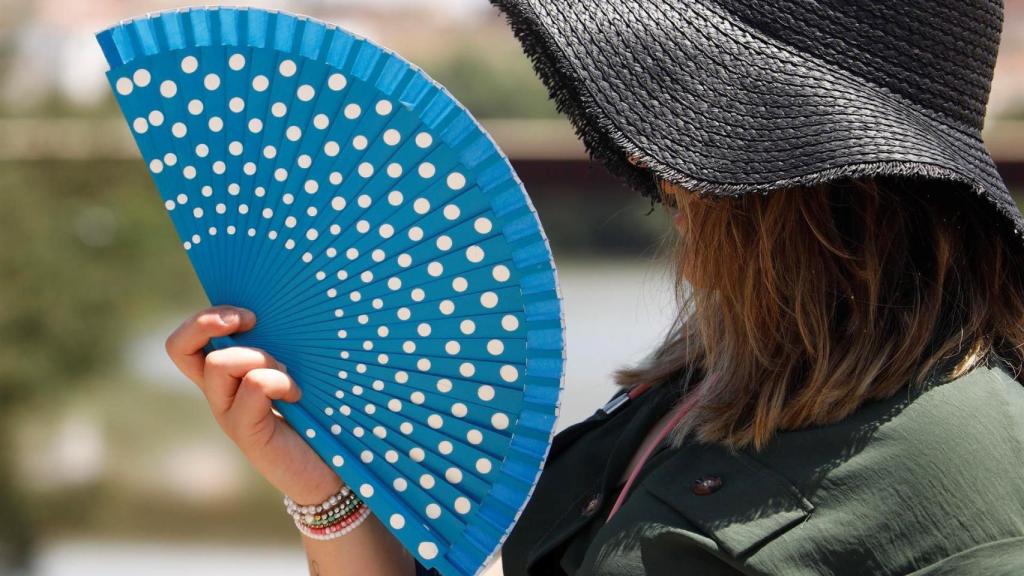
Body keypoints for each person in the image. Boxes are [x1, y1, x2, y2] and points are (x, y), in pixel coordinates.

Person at [164, 0, 1024, 574]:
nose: (643, 160)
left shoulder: (964, 468)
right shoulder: (702, 387)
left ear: (824, 180)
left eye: (687, 116)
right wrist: (327, 494)